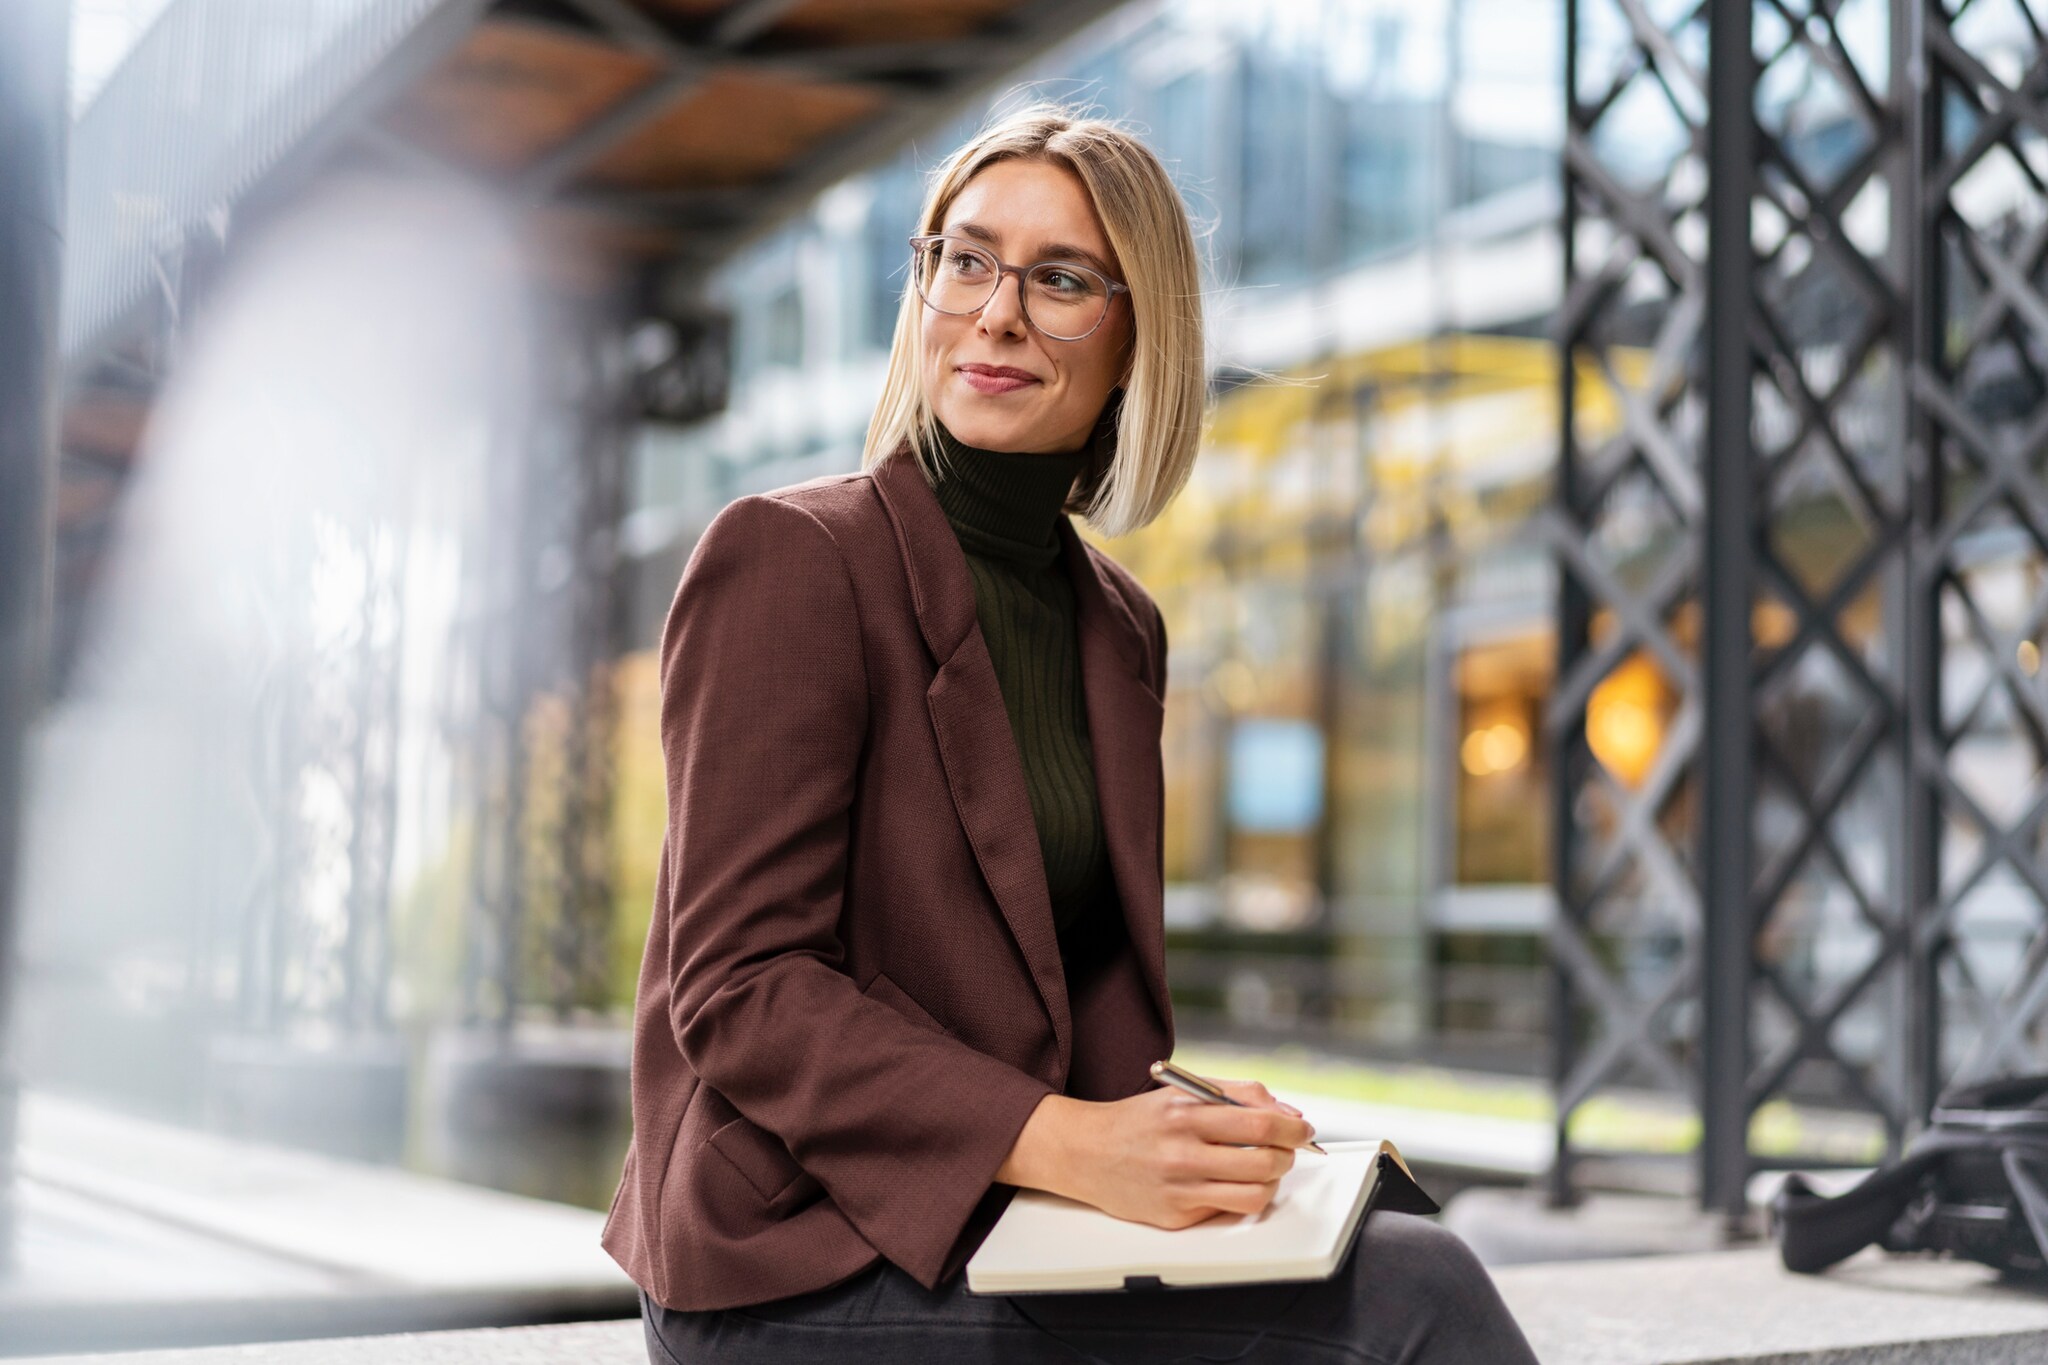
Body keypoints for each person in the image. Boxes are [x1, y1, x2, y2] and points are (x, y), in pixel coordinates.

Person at [602, 102, 1541, 1364]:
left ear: (1132, 339)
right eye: (965, 259)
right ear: (924, 283)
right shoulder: (790, 559)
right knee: (1413, 1300)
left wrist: (1201, 1132)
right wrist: (1068, 1144)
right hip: (795, 1258)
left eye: (1058, 281)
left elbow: (1086, 1011)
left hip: (1010, 1224)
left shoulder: (1116, 627)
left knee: (1396, 1252)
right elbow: (742, 992)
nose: (996, 312)